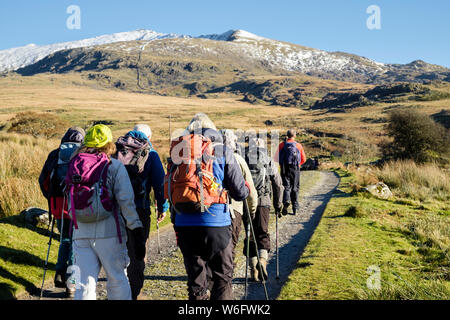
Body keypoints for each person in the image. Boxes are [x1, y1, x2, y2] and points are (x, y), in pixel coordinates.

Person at [165, 113, 250, 300]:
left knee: (196, 281)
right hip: (217, 225)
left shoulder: (178, 151)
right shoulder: (221, 150)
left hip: (184, 223)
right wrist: (246, 189)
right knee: (222, 277)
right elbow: (239, 192)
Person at [68, 124, 146, 300]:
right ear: (108, 143)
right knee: (117, 280)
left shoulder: (75, 164)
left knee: (83, 285)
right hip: (110, 233)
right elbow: (126, 202)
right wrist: (136, 228)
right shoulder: (114, 166)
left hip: (80, 231)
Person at [115, 124, 169, 300]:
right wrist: (163, 207)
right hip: (140, 209)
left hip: (116, 209)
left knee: (118, 249)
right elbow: (161, 185)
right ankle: (134, 291)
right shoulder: (151, 155)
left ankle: (118, 289)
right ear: (149, 137)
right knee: (137, 251)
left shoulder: (118, 151)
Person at [38, 127, 85, 298]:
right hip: (77, 204)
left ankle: (59, 271)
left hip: (58, 204)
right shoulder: (82, 154)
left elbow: (43, 180)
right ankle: (71, 284)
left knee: (65, 238)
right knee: (76, 243)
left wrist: (50, 198)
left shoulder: (54, 154)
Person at [244, 138, 283, 281]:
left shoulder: (243, 158)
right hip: (263, 202)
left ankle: (253, 271)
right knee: (262, 233)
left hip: (247, 203)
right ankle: (262, 261)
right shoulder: (267, 160)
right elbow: (278, 184)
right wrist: (278, 205)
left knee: (250, 235)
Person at [221, 130, 258, 270]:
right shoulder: (238, 159)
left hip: (212, 208)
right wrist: (251, 211)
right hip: (234, 209)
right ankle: (225, 278)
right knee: (229, 246)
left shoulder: (210, 157)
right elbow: (250, 190)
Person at [275, 129, 306, 216]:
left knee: (286, 186)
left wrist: (282, 164)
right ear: (294, 135)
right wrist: (297, 165)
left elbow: (275, 158)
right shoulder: (298, 146)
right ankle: (295, 207)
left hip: (284, 168)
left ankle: (286, 201)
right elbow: (304, 159)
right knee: (295, 187)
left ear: (287, 135)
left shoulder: (281, 145)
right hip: (295, 168)